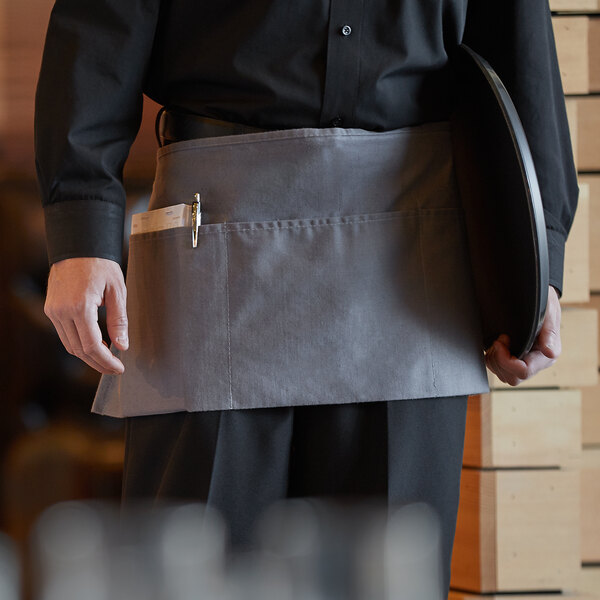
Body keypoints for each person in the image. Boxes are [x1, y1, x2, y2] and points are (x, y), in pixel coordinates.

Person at [35, 0, 578, 595]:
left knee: (386, 578)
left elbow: (519, 41)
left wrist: (538, 261)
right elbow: (100, 23)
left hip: (415, 257)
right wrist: (81, 225)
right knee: (191, 572)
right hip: (213, 240)